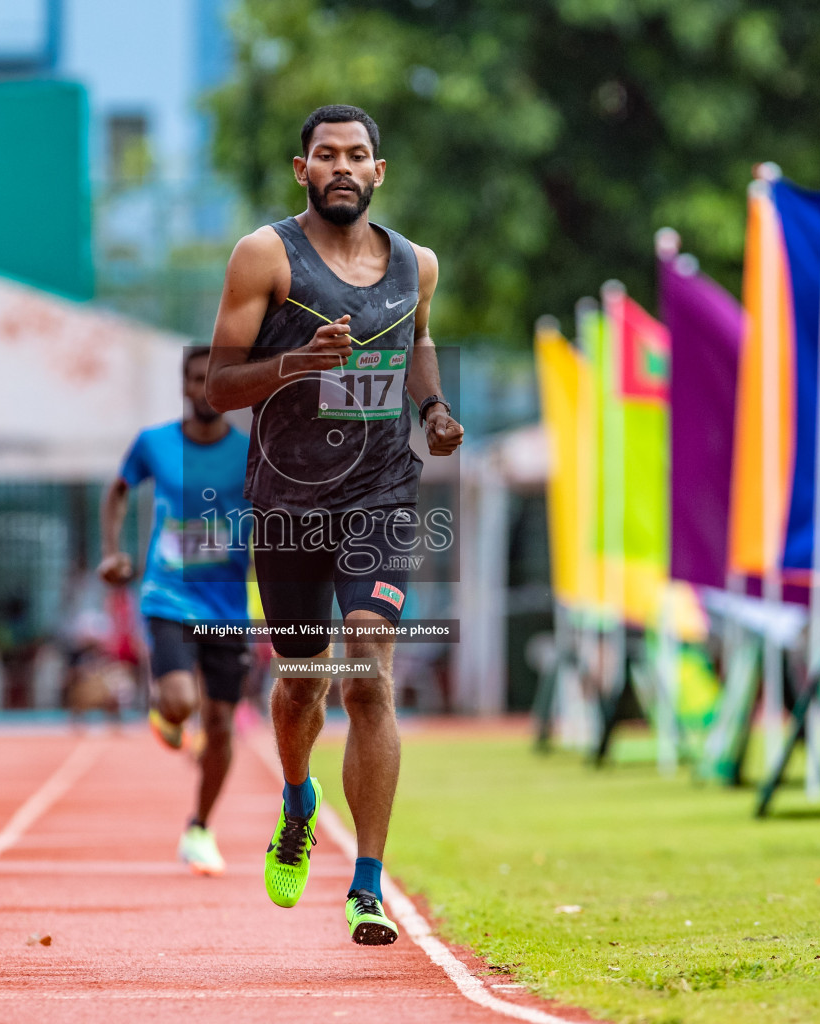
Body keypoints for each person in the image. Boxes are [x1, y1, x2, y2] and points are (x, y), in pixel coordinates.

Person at [205, 104, 464, 945]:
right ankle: (296, 797)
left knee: (366, 669)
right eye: (327, 155)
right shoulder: (263, 255)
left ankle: (366, 887)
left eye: (357, 154)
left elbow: (418, 342)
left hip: (381, 496)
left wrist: (433, 407)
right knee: (302, 686)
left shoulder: (417, 264)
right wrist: (297, 364)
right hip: (288, 500)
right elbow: (217, 385)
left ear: (379, 171)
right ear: (302, 168)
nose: (342, 166)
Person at [98, 347, 253, 876]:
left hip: (229, 605)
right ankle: (167, 705)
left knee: (223, 727)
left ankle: (200, 828)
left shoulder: (252, 452)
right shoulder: (154, 444)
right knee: (184, 703)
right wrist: (113, 550)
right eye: (194, 379)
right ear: (183, 386)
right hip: (168, 594)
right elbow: (117, 492)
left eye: (214, 380)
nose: (204, 389)